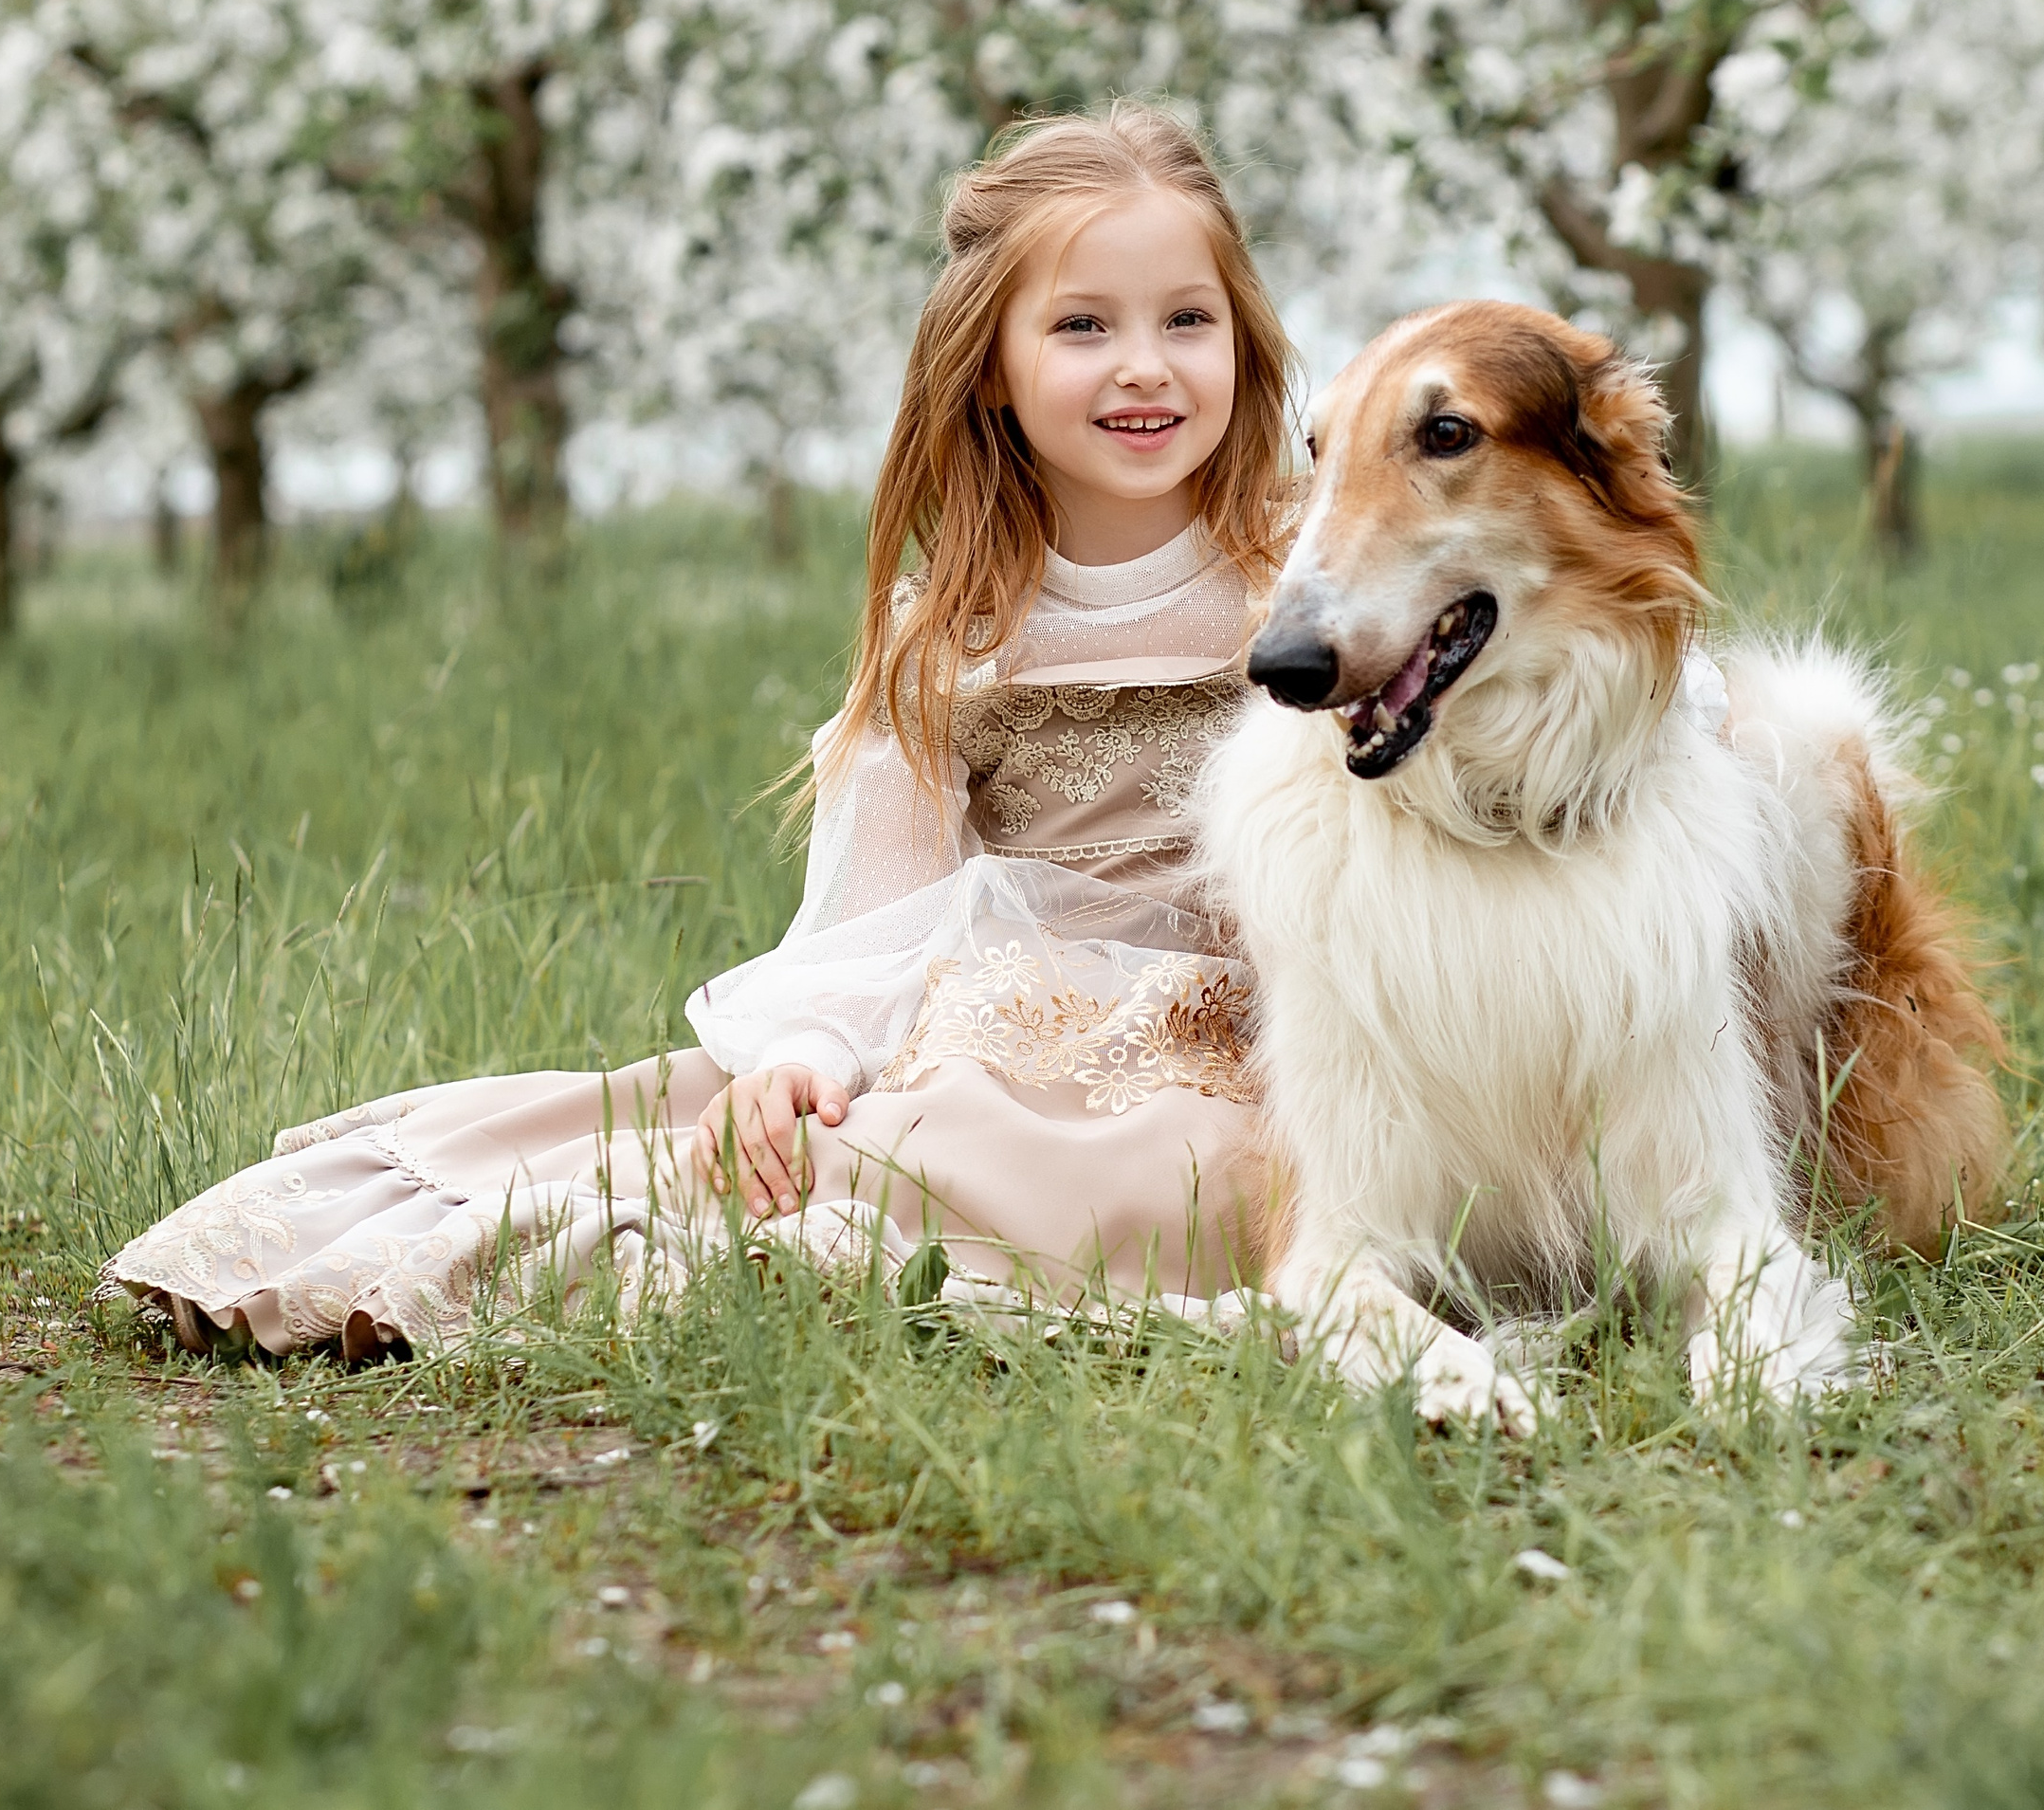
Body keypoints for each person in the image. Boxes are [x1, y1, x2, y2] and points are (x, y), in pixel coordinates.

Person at [101, 102, 1300, 1360]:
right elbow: (882, 912)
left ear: (1242, 337)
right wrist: (808, 1051)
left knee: (1218, 1172)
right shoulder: (957, 639)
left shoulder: (1313, 587)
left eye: (1188, 319)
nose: (1145, 365)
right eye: (1083, 325)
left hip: (1270, 1038)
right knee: (826, 1160)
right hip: (1017, 1049)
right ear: (989, 362)